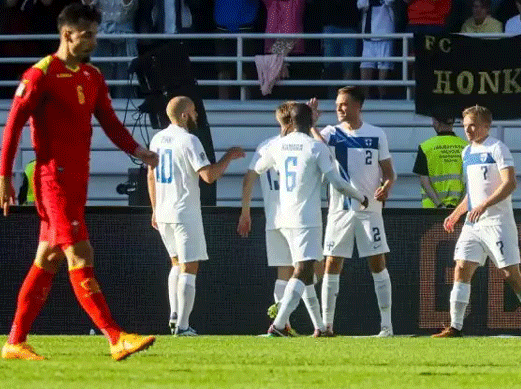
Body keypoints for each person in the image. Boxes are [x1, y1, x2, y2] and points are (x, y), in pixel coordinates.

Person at [0, 3, 158, 361]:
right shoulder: (40, 74)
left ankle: (15, 341)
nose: (93, 41)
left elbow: (111, 122)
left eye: (95, 34)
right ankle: (115, 337)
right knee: (80, 252)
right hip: (53, 179)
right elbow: (13, 126)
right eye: (88, 34)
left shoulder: (92, 77)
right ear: (67, 33)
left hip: (77, 180)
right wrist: (3, 177)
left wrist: (139, 151)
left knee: (48, 257)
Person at [244, 102, 367, 337]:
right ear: (311, 121)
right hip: (306, 218)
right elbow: (338, 182)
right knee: (303, 269)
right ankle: (279, 325)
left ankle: (320, 328)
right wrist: (359, 196)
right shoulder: (315, 148)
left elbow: (258, 168)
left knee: (307, 272)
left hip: (282, 217)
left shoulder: (277, 146)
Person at [433, 105, 521, 338]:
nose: (468, 130)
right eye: (465, 126)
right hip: (474, 225)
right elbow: (473, 194)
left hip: (497, 222)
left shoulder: (498, 148)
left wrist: (484, 205)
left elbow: (510, 183)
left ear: (486, 125)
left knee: (510, 274)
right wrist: (457, 213)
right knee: (461, 267)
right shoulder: (466, 152)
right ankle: (455, 327)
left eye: (473, 125)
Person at [147, 96, 245, 336]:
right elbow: (208, 176)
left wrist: (154, 209)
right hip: (184, 212)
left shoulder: (157, 139)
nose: (196, 116)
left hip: (164, 211)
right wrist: (228, 157)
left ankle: (174, 315)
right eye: (193, 112)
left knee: (176, 264)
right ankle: (182, 326)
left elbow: (150, 175)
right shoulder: (190, 140)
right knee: (190, 268)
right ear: (183, 116)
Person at [311, 86, 396, 337]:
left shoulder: (376, 135)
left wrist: (386, 187)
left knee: (378, 263)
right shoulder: (330, 133)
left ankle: (387, 327)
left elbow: (389, 173)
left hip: (370, 209)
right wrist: (311, 124)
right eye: (338, 104)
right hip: (340, 210)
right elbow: (316, 148)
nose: (339, 108)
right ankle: (327, 326)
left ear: (359, 106)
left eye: (344, 104)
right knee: (332, 263)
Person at [237, 102, 328, 336]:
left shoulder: (268, 145)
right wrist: (313, 125)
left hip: (275, 218)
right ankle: (281, 323)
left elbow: (249, 178)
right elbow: (326, 158)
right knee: (309, 269)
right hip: (299, 216)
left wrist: (245, 211)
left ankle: (305, 325)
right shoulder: (306, 146)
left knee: (287, 272)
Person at [192, 0, 259, 99]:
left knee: (245, 72)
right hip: (222, 29)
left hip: (245, 29)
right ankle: (224, 104)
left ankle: (246, 106)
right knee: (223, 71)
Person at [78, 0, 139, 99]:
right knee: (101, 77)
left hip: (125, 35)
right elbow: (89, 3)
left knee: (124, 80)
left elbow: (130, 7)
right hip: (103, 35)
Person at [412, 114, 467, 208]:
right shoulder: (466, 147)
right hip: (459, 210)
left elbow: (424, 181)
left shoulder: (425, 147)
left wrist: (440, 205)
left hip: (433, 210)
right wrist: (459, 207)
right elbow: (469, 181)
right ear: (453, 122)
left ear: (436, 122)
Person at [320, 0, 360, 86]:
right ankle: (331, 99)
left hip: (349, 29)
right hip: (331, 29)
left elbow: (356, 9)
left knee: (348, 67)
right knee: (330, 66)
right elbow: (320, 7)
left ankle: (346, 99)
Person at [357, 0, 395, 100]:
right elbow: (361, 5)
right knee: (364, 82)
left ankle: (383, 102)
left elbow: (390, 0)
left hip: (384, 39)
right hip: (368, 41)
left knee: (382, 83)